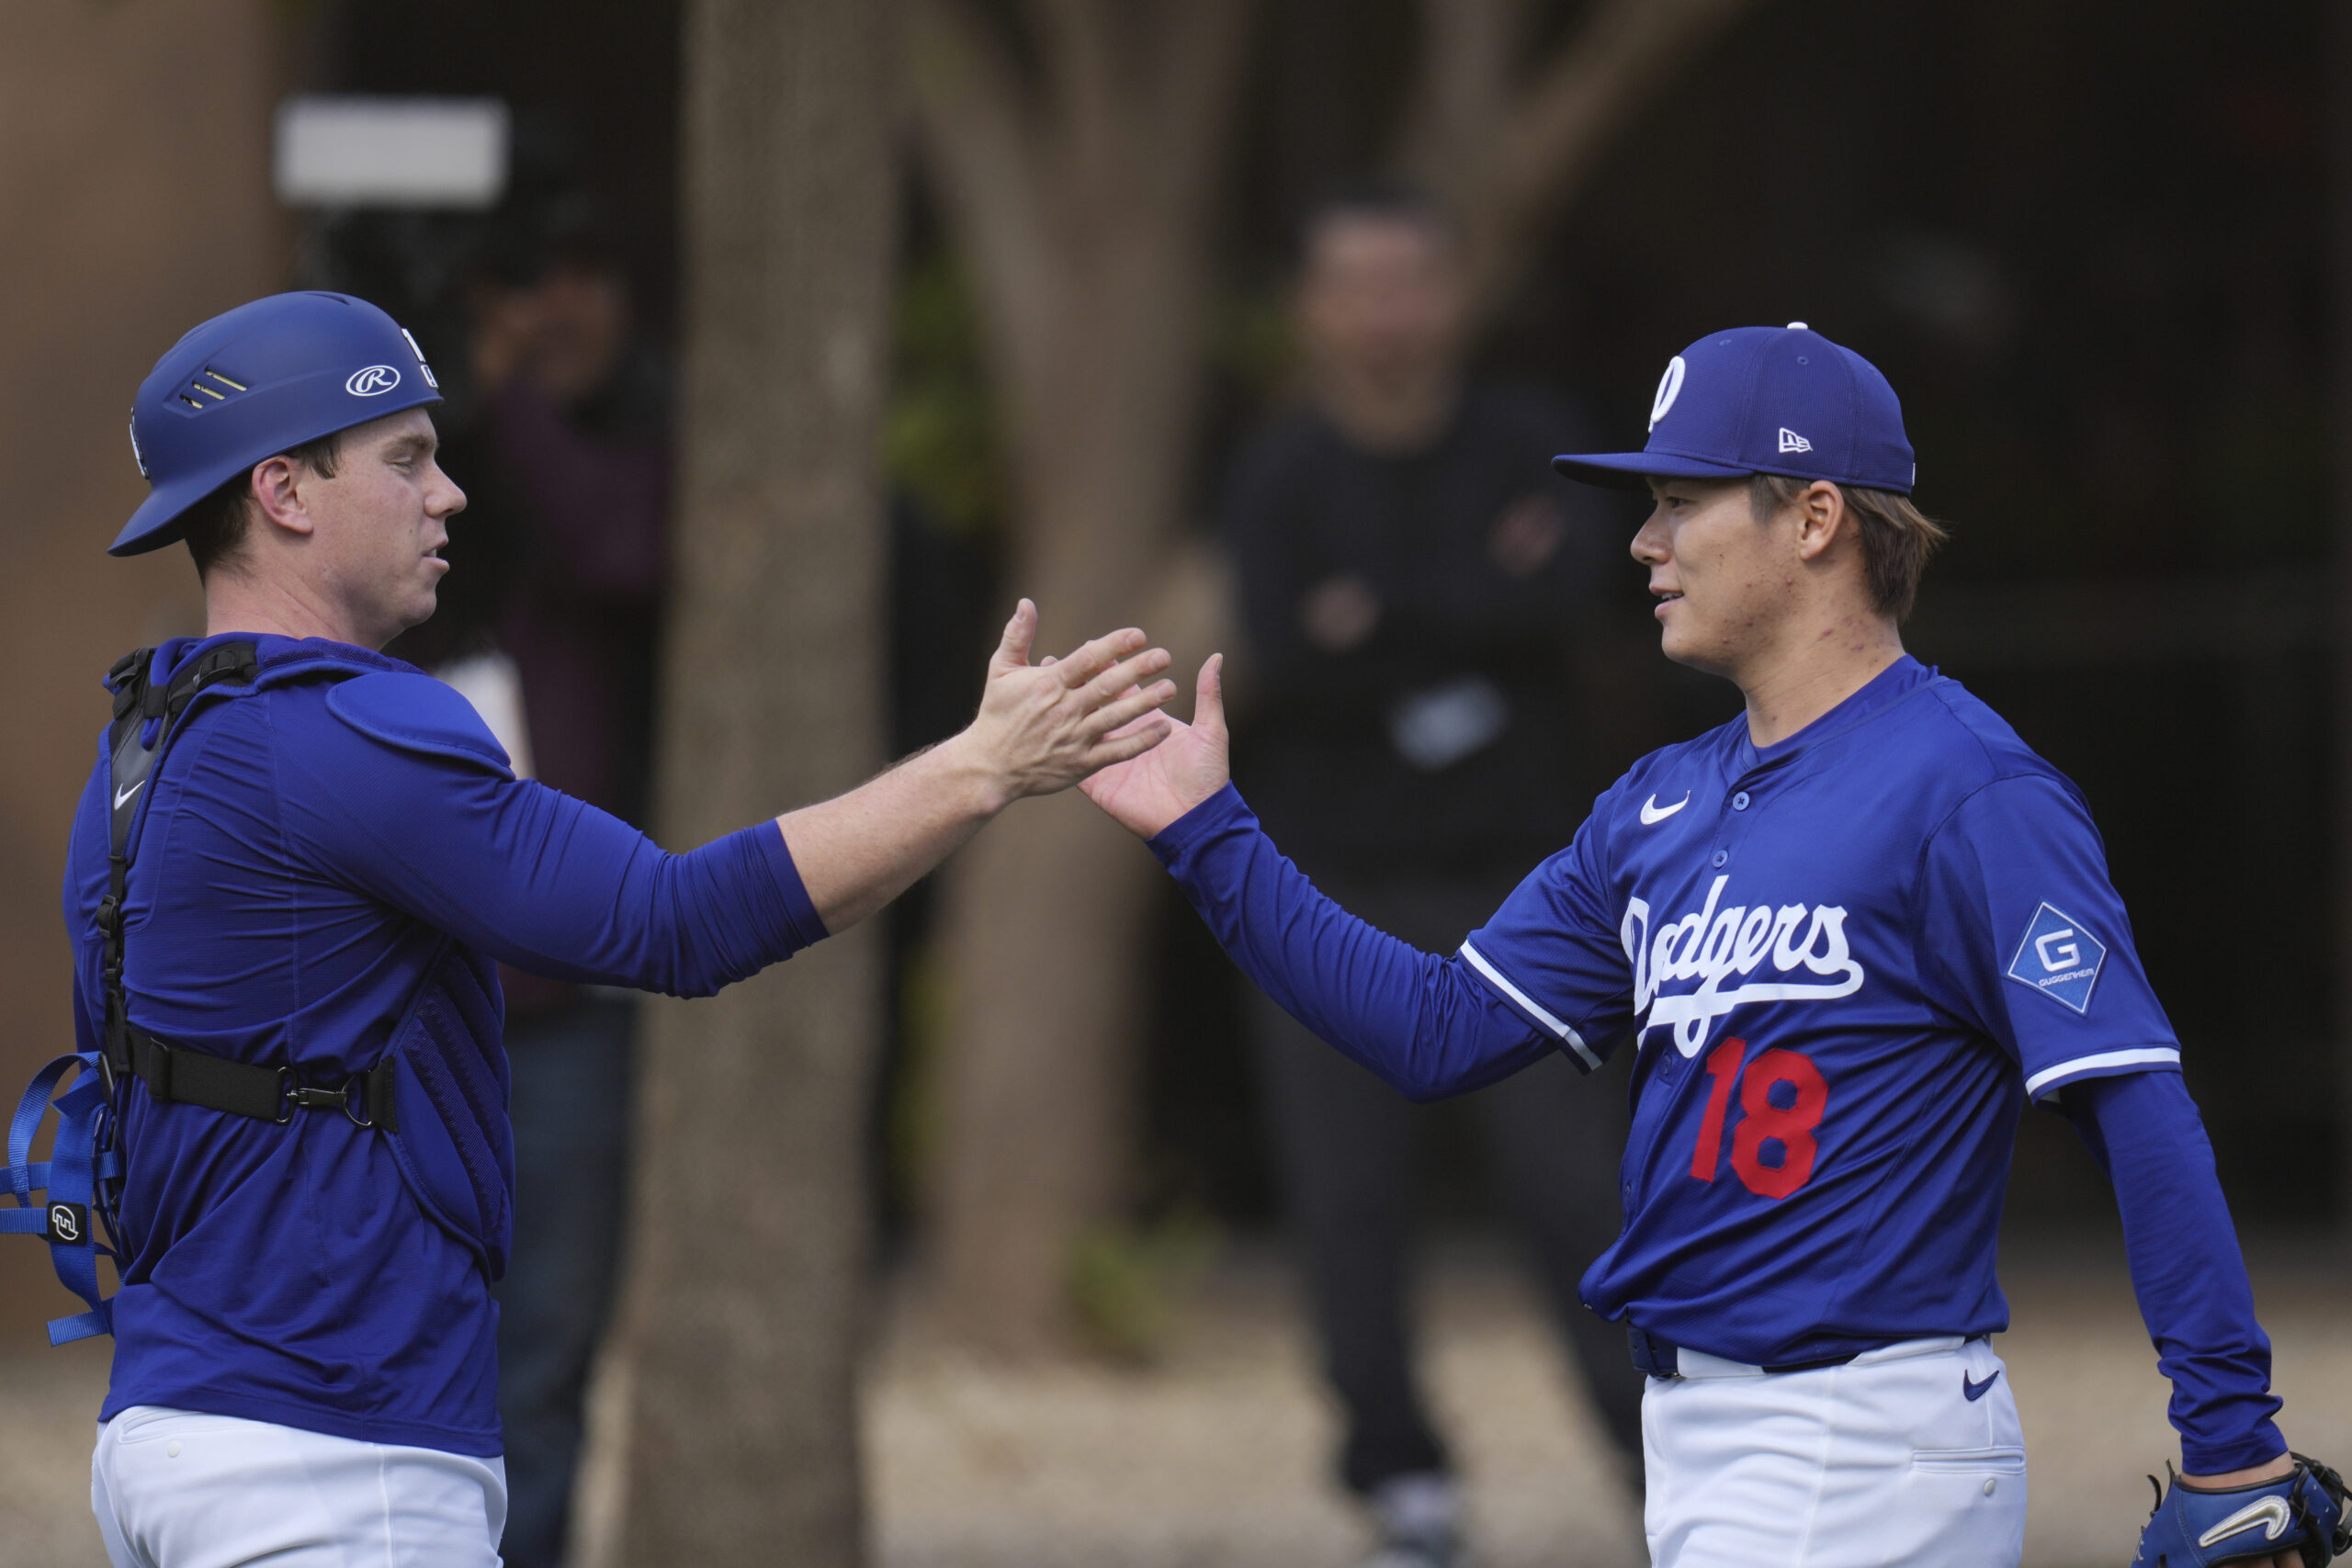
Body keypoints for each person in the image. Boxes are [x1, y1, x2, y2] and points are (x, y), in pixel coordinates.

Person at [1080, 322, 2347, 1567]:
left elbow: (2131, 1099)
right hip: (1710, 1441)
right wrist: (1211, 835)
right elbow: (1435, 1030)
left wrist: (2230, 1440)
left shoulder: (1967, 791)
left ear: (1813, 518)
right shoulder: (1657, 806)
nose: (1642, 542)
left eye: (1682, 501)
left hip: (1855, 1437)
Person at [65, 290, 1176, 1566]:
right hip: (330, 1462)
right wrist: (981, 768)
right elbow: (674, 923)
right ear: (285, 493)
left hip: (164, 1433)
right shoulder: (358, 732)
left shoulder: (143, 745)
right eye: (409, 459)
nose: (452, 496)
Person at [1220, 178, 1643, 1565]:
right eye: (1358, 283)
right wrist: (1475, 599)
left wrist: (1381, 617)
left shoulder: (1535, 437)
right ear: (1311, 308)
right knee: (1348, 1203)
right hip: (1330, 895)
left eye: (1413, 279)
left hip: (1533, 895)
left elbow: (1581, 592)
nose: (1388, 312)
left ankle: (1666, 1465)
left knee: (1582, 1192)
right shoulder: (1277, 472)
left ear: (1457, 293)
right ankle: (1397, 1474)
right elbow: (1286, 650)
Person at [390, 191, 673, 1568]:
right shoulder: (362, 562)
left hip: (561, 1006)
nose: (552, 310)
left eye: (581, 273)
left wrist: (509, 402)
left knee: (546, 1357)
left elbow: (620, 546)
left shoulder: (621, 454)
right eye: (520, 284)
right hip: (387, 1009)